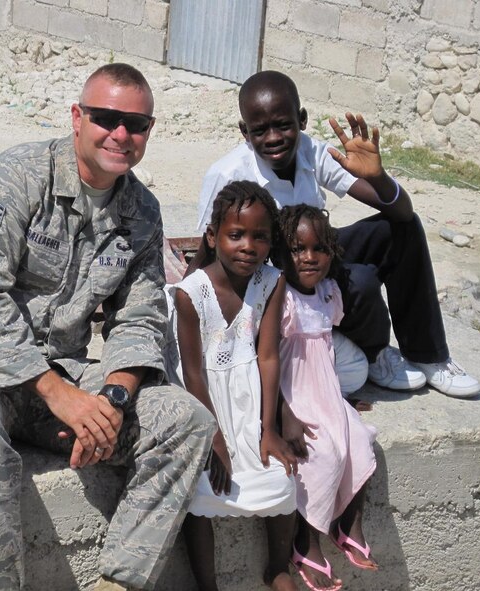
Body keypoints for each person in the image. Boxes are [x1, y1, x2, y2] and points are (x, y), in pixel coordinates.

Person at [0, 63, 217, 591]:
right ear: (77, 118)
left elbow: (140, 316)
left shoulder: (141, 212)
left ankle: (119, 581)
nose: (120, 135)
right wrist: (59, 395)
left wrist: (112, 401)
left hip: (64, 369)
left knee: (186, 421)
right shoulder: (13, 179)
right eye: (106, 118)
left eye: (137, 124)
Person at [196, 70, 480, 398]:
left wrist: (379, 176)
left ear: (301, 120)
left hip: (314, 253)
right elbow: (208, 248)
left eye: (283, 125)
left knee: (404, 227)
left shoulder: (312, 152)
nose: (273, 137)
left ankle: (427, 355)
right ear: (245, 132)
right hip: (271, 283)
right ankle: (374, 353)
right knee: (358, 282)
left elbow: (400, 210)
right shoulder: (227, 174)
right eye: (260, 130)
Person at [169, 181, 298, 591]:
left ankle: (278, 567)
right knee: (200, 494)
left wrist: (269, 429)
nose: (248, 246)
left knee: (282, 479)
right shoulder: (191, 294)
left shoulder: (271, 282)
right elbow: (192, 373)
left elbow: (268, 355)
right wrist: (214, 438)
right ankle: (207, 584)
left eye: (260, 237)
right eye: (236, 235)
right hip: (206, 408)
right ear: (213, 236)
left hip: (251, 406)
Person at [276, 204, 379, 591]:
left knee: (362, 438)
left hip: (327, 393)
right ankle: (306, 540)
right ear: (281, 253)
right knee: (322, 454)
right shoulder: (279, 297)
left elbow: (325, 355)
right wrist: (282, 413)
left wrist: (342, 397)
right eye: (297, 249)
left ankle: (347, 524)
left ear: (331, 252)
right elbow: (272, 360)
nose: (309, 257)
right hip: (294, 396)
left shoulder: (328, 292)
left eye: (319, 249)